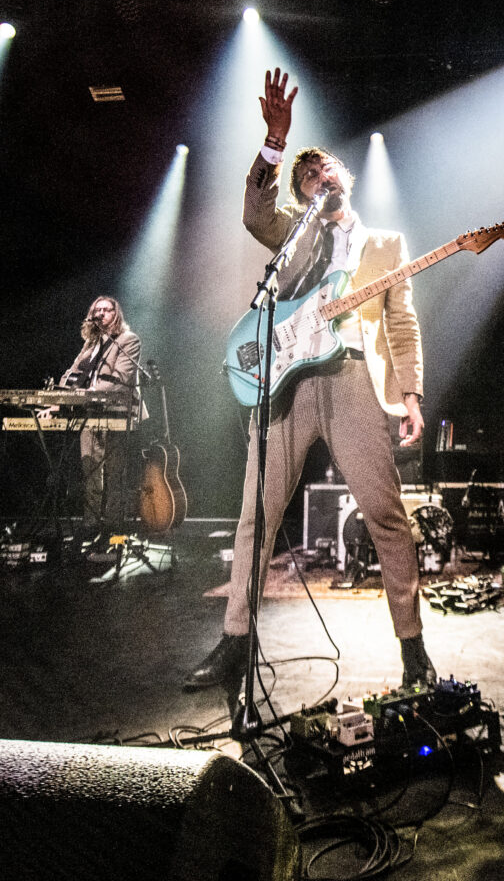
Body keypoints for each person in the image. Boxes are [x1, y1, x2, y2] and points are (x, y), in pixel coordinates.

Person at [184, 68, 436, 692]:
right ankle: (236, 642)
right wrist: (275, 142)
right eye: (306, 178)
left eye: (323, 171)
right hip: (288, 383)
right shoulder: (294, 230)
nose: (317, 181)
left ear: (342, 176)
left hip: (352, 377)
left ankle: (413, 650)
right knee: (256, 514)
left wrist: (410, 394)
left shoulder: (385, 243)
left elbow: (401, 322)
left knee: (385, 514)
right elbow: (254, 211)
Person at [53, 296, 143, 553]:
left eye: (107, 309)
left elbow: (120, 379)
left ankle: (113, 527)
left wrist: (83, 394)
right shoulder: (90, 344)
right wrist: (58, 398)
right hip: (89, 413)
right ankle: (90, 525)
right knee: (90, 470)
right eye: (97, 310)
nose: (101, 313)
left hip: (117, 412)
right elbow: (71, 374)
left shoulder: (128, 341)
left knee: (115, 473)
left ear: (116, 314)